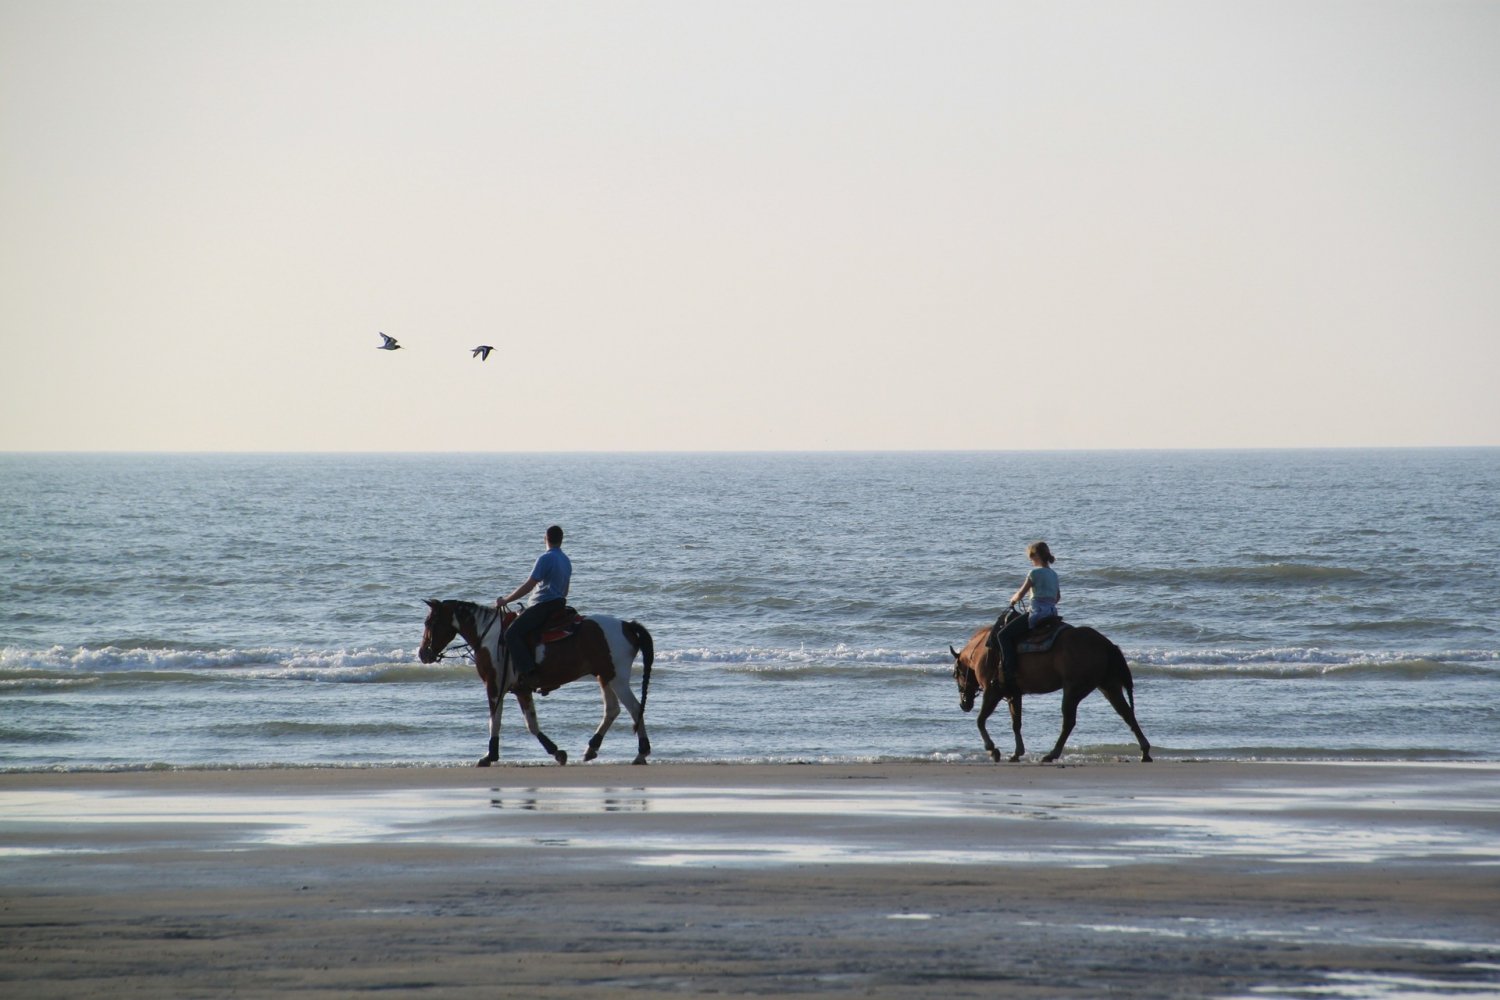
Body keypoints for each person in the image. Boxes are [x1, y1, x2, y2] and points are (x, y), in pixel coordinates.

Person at [497, 525, 572, 685]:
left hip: (543, 606)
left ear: (545, 539)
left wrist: (506, 600)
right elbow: (565, 591)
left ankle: (528, 673)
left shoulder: (545, 558)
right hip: (559, 604)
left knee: (511, 634)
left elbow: (528, 586)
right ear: (561, 540)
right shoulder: (566, 560)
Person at [988, 541, 1062, 696]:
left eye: (1031, 556)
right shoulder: (1054, 574)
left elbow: (1021, 594)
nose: (1030, 560)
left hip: (1037, 613)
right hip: (1051, 613)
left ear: (1036, 556)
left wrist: (1013, 600)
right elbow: (1057, 598)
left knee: (1003, 636)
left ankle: (1009, 672)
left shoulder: (1034, 573)